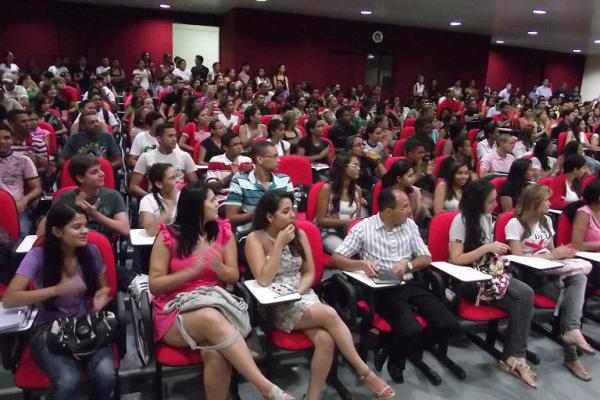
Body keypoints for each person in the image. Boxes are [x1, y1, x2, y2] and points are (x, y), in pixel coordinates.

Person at [148, 183, 294, 400]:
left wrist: (221, 270)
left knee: (215, 353)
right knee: (209, 317)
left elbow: (234, 276)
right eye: (212, 200)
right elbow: (155, 285)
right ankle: (267, 389)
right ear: (197, 206)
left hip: (216, 302)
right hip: (175, 310)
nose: (219, 203)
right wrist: (191, 272)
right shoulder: (168, 236)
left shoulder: (223, 231)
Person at [246, 191, 394, 399]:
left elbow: (309, 273)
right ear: (269, 216)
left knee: (326, 341)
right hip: (274, 302)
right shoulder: (255, 238)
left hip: (302, 295)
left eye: (293, 210)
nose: (292, 215)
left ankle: (313, 396)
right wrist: (279, 244)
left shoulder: (300, 234)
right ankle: (364, 372)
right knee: (331, 315)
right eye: (285, 211)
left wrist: (298, 291)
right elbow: (263, 280)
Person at [332, 187, 459, 383]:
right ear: (388, 210)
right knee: (411, 328)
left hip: (410, 282)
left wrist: (408, 265)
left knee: (449, 324)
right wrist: (361, 264)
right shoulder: (364, 227)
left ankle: (395, 347)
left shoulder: (409, 225)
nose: (410, 210)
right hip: (382, 288)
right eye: (405, 207)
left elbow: (426, 257)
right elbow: (337, 258)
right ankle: (396, 362)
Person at [3, 204, 117, 400]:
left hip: (87, 323)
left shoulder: (91, 251)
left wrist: (101, 296)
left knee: (106, 375)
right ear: (56, 231)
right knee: (67, 381)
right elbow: (10, 298)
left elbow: (104, 288)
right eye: (77, 227)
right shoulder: (38, 255)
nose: (85, 231)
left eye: (86, 225)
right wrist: (56, 290)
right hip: (49, 327)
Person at [448, 179, 537, 388]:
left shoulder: (487, 217)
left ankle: (514, 354)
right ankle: (515, 355)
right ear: (478, 202)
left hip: (490, 273)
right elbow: (456, 258)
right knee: (524, 297)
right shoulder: (461, 221)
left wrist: (493, 252)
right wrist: (487, 248)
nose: (495, 206)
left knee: (524, 298)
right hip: (468, 279)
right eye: (490, 202)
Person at [505, 185, 594, 380]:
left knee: (579, 278)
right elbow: (518, 260)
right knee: (572, 299)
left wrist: (560, 255)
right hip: (531, 277)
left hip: (552, 272)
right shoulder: (515, 223)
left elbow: (552, 251)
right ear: (535, 203)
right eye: (546, 200)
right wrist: (553, 255)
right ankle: (571, 353)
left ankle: (572, 332)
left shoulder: (546, 221)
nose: (549, 204)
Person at [226, 141, 294, 240]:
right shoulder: (240, 180)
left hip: (281, 235)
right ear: (260, 159)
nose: (279, 160)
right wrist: (259, 214)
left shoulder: (285, 180)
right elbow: (231, 218)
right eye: (274, 156)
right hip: (249, 236)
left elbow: (293, 215)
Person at [130, 123, 198, 199]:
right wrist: (150, 198)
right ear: (159, 138)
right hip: (156, 199)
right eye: (170, 136)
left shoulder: (185, 156)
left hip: (180, 199)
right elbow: (133, 186)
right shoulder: (145, 157)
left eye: (175, 135)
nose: (175, 139)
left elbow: (195, 184)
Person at [316, 153, 363, 254]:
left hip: (350, 232)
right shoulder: (327, 189)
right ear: (344, 168)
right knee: (345, 253)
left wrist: (352, 225)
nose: (359, 168)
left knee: (367, 251)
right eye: (355, 165)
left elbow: (357, 219)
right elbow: (320, 220)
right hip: (329, 232)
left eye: (359, 165)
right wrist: (347, 222)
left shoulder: (357, 190)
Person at [0, 123, 41, 236]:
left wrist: (25, 200)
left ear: (13, 139)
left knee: (23, 234)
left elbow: (37, 188)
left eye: (6, 138)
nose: (2, 141)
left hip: (16, 207)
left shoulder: (23, 160)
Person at [206, 132, 253, 209]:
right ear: (225, 147)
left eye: (240, 143)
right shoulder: (215, 161)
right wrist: (231, 176)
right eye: (235, 145)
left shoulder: (247, 161)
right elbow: (211, 186)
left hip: (245, 198)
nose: (240, 147)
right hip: (224, 200)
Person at [139, 163, 180, 236]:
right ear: (159, 184)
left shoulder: (183, 195)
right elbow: (151, 231)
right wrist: (170, 205)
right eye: (172, 178)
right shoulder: (147, 200)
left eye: (177, 176)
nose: (177, 180)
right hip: (154, 244)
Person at [7, 109, 49, 174]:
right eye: (23, 121)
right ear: (11, 124)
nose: (28, 124)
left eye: (28, 120)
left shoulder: (38, 143)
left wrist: (28, 170)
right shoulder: (4, 143)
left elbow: (44, 168)